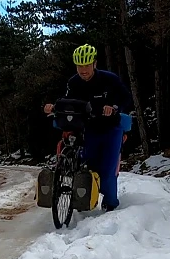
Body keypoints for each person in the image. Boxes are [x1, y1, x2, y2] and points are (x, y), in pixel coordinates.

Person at [43, 44, 133, 212]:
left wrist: (113, 107)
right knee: (89, 166)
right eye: (79, 65)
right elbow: (67, 102)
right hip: (90, 128)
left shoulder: (109, 79)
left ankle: (111, 205)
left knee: (107, 170)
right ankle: (85, 197)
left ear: (94, 63)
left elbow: (126, 98)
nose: (83, 69)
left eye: (86, 65)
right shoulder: (73, 82)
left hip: (111, 129)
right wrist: (53, 107)